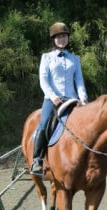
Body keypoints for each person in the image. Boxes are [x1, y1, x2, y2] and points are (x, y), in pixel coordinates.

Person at [31, 22, 89, 173]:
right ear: (53, 39)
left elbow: (79, 80)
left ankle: (98, 156)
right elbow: (43, 80)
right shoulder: (47, 58)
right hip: (52, 100)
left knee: (90, 122)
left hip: (72, 99)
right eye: (58, 37)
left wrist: (83, 98)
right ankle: (37, 160)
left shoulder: (74, 59)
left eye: (64, 36)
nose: (62, 39)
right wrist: (53, 97)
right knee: (43, 125)